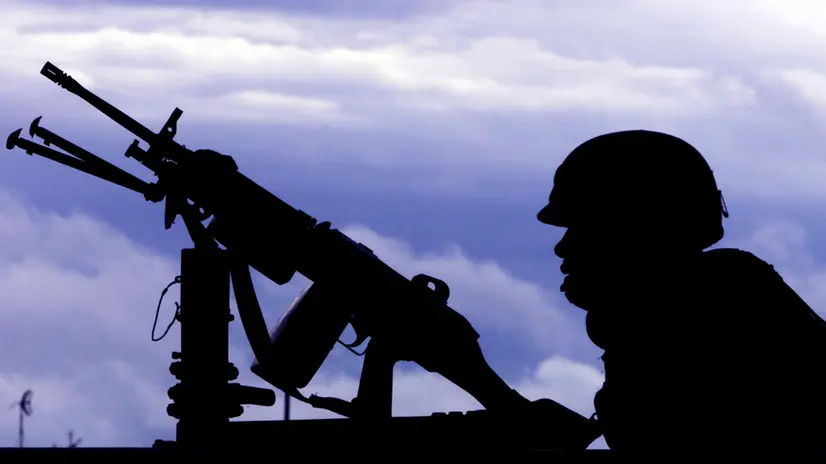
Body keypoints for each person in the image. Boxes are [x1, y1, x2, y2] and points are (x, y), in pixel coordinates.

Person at [536, 130, 826, 452]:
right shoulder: (704, 305)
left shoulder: (706, 322)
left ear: (636, 231)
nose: (562, 248)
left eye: (585, 229)